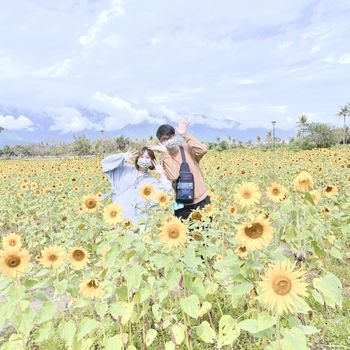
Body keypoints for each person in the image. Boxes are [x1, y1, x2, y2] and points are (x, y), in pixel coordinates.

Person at [150, 118, 211, 220]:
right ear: (160, 142)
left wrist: (185, 134)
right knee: (183, 234)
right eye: (165, 139)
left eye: (171, 136)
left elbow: (203, 150)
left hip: (202, 199)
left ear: (174, 136)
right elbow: (173, 176)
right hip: (181, 204)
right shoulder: (165, 159)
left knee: (207, 233)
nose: (169, 140)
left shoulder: (187, 148)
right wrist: (166, 153)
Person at [99, 147, 173, 229]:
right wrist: (122, 157)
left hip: (137, 224)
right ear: (137, 159)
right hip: (117, 217)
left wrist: (162, 174)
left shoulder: (153, 181)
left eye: (147, 158)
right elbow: (105, 164)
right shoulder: (125, 170)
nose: (144, 160)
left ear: (152, 162)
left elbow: (166, 195)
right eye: (141, 157)